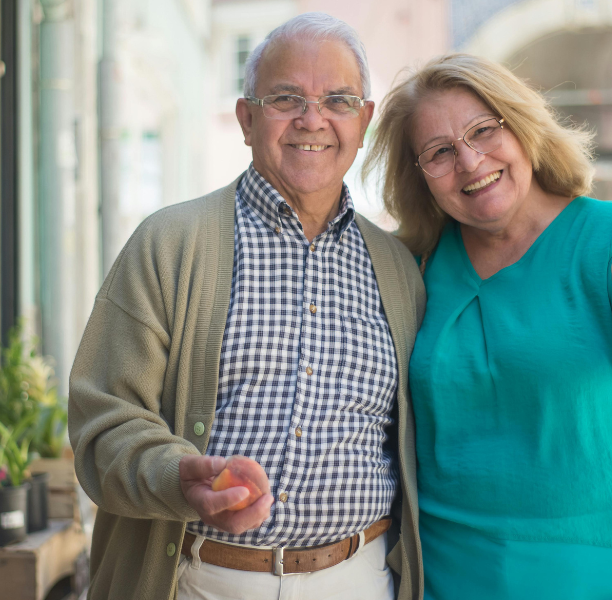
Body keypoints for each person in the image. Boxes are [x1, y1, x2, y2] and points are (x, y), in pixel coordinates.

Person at [68, 13, 426, 600]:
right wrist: (179, 478)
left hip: (360, 578)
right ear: (246, 118)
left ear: (362, 122)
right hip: (198, 580)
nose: (312, 119)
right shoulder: (170, 243)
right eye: (287, 97)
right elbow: (102, 420)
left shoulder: (399, 269)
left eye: (337, 100)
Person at [363, 53, 612, 599]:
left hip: (611, 578)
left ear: (523, 126)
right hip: (453, 578)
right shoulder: (415, 269)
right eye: (439, 152)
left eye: (483, 130)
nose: (468, 160)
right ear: (419, 178)